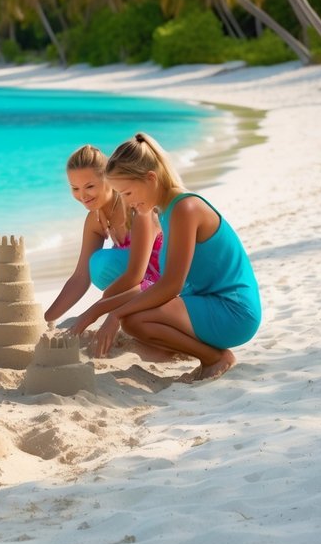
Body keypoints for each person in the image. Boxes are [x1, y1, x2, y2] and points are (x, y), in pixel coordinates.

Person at [70, 132, 261, 382]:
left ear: (150, 178)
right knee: (134, 319)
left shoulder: (185, 208)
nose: (127, 203)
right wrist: (99, 310)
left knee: (132, 320)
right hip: (206, 301)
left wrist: (114, 314)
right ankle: (209, 354)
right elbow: (155, 287)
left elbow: (171, 286)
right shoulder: (168, 211)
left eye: (127, 193)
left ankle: (215, 358)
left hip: (233, 311)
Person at [44, 144, 163, 356]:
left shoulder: (137, 208)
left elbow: (136, 274)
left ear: (108, 179)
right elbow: (81, 277)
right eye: (75, 188)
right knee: (96, 265)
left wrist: (96, 311)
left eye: (89, 186)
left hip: (166, 287)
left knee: (103, 263)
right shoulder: (95, 219)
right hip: (134, 290)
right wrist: (46, 319)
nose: (83, 195)